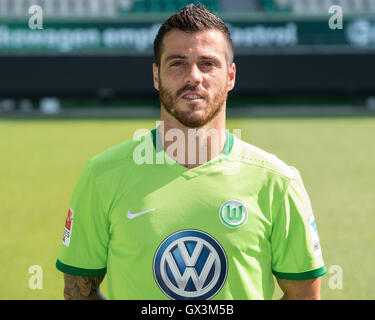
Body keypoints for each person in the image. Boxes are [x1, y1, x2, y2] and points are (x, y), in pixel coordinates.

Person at [56, 4, 326, 300]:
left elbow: (304, 294)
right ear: (156, 75)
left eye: (208, 63)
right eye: (177, 63)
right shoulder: (103, 175)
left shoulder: (278, 181)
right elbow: (78, 291)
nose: (194, 76)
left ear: (231, 76)